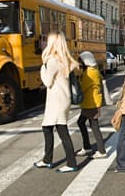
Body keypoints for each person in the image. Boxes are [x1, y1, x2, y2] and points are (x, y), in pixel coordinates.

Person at [34, 31, 79, 173]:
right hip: (63, 99)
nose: (44, 43)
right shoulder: (64, 59)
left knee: (59, 130)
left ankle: (69, 163)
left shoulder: (52, 60)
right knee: (50, 128)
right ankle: (48, 160)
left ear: (52, 43)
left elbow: (47, 82)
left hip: (56, 100)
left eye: (47, 40)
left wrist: (42, 69)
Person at [76, 51, 107, 159]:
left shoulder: (90, 72)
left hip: (91, 103)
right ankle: (87, 147)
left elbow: (83, 87)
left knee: (94, 126)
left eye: (80, 60)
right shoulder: (92, 70)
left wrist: (77, 81)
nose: (79, 62)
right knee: (82, 122)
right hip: (89, 103)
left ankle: (101, 151)